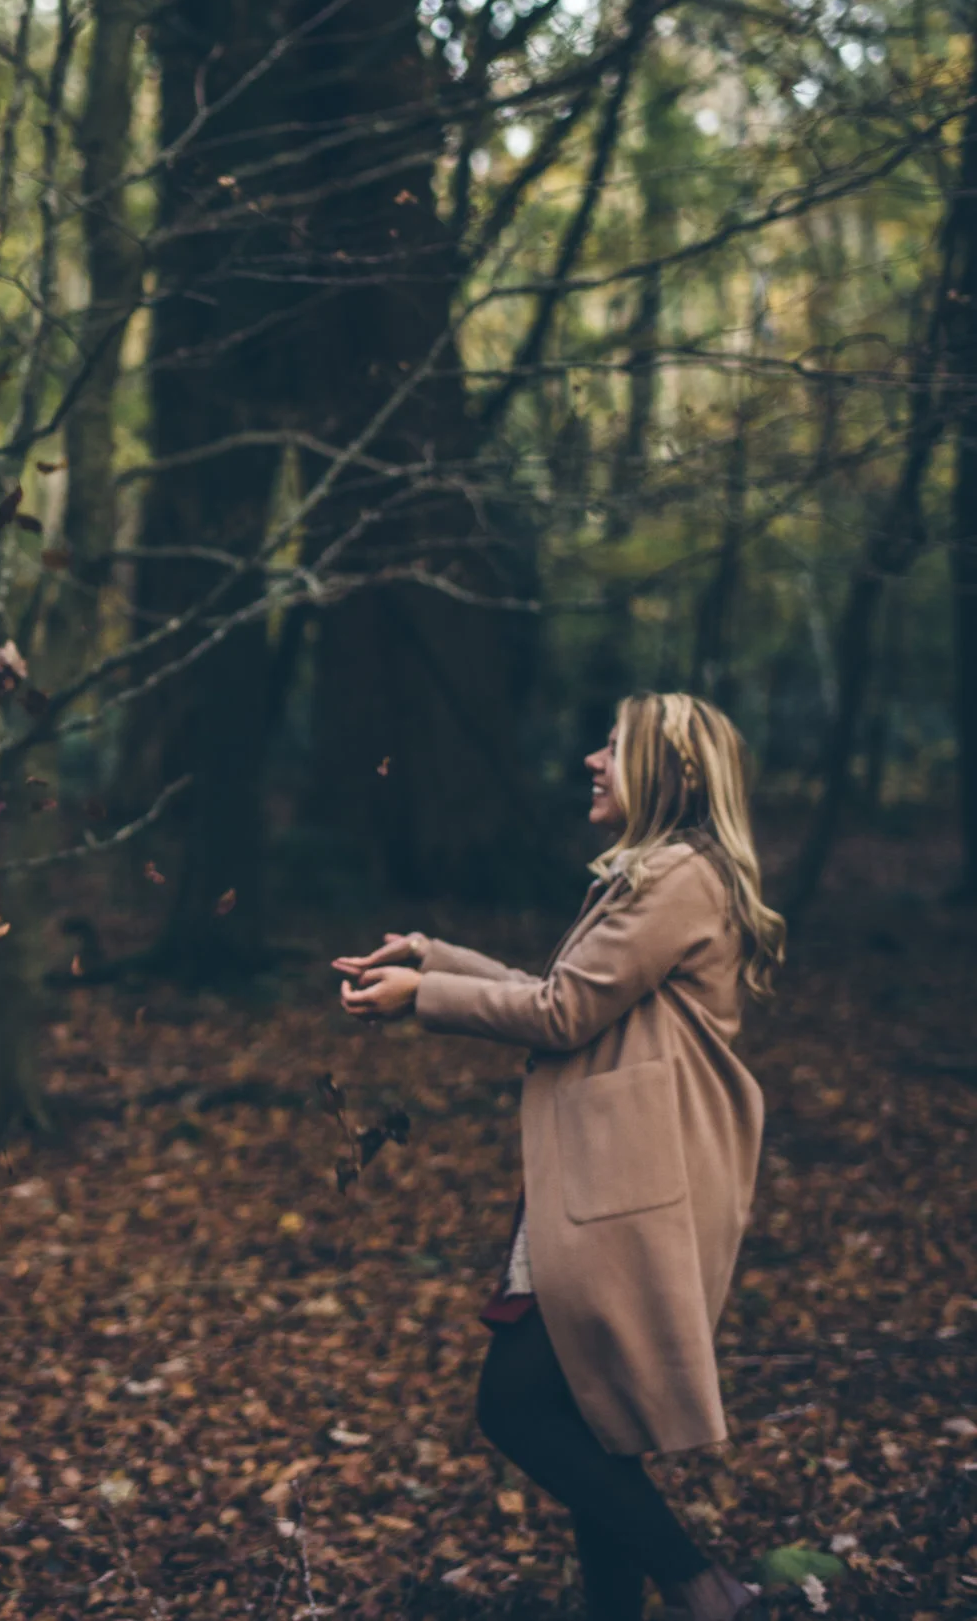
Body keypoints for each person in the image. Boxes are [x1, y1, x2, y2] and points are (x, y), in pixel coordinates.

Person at [336, 692, 784, 1621]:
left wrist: (424, 993)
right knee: (592, 1418)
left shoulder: (680, 877)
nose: (592, 758)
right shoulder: (655, 875)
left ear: (678, 772)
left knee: (519, 1404)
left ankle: (704, 1587)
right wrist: (433, 956)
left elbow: (559, 1015)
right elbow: (561, 993)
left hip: (634, 1182)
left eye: (614, 746)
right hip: (606, 1175)